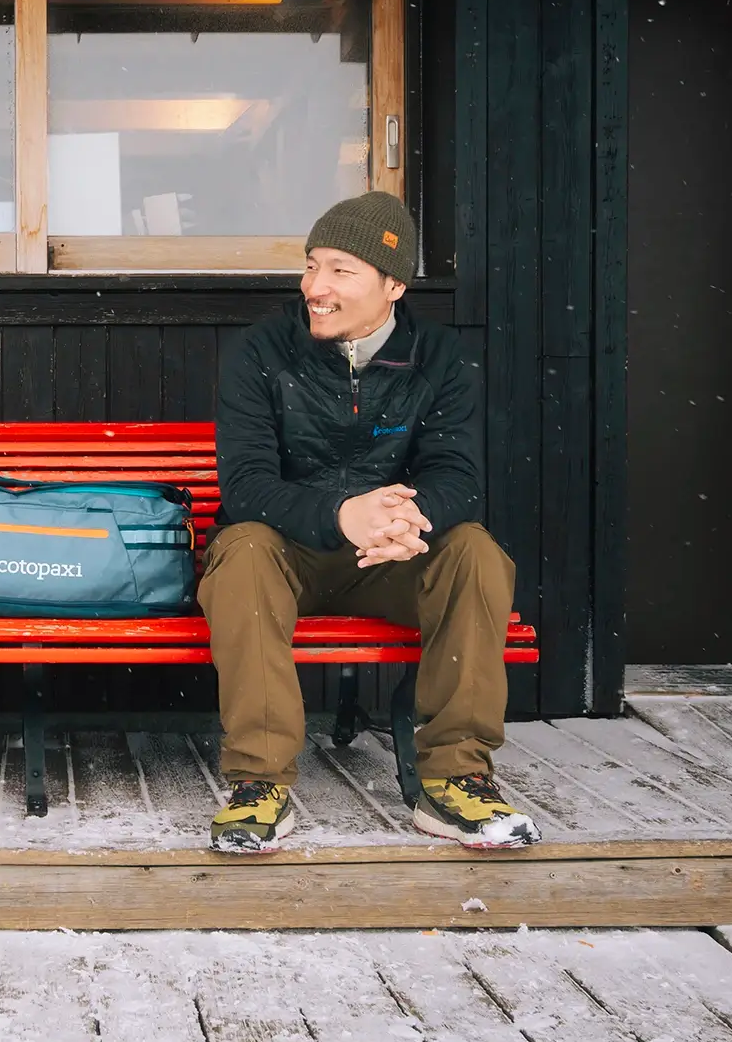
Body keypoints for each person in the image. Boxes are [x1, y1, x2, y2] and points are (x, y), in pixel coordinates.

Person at [200, 190, 540, 853]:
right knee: (239, 550)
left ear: (394, 285)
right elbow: (246, 487)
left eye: (339, 270)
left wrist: (408, 516)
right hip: (286, 556)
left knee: (473, 551)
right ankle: (259, 784)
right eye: (310, 265)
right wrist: (342, 514)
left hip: (390, 559)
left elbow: (457, 476)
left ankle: (456, 781)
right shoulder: (263, 352)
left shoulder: (436, 357)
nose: (314, 287)